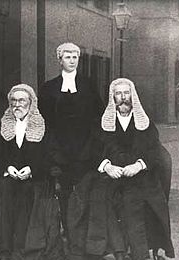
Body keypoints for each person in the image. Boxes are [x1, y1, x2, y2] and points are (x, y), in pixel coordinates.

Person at [84, 78, 175, 260]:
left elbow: (154, 151)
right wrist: (106, 166)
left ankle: (141, 259)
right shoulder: (102, 122)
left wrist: (139, 165)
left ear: (132, 96)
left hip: (138, 176)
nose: (123, 98)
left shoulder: (145, 122)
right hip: (111, 176)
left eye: (126, 93)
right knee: (101, 200)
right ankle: (119, 252)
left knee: (134, 202)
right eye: (118, 94)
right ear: (112, 97)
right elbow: (92, 151)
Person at [0, 84, 66, 260]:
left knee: (26, 195)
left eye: (22, 100)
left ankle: (20, 253)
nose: (17, 104)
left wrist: (32, 169)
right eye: (13, 101)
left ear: (31, 103)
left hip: (35, 178)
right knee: (4, 194)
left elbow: (52, 156)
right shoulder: (0, 125)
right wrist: (7, 167)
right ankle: (4, 251)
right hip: (7, 176)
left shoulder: (44, 126)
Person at [38, 42, 104, 243]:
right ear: (59, 60)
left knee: (84, 191)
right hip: (58, 149)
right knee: (63, 191)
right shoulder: (49, 87)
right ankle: (66, 230)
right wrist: (53, 150)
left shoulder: (88, 85)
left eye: (75, 57)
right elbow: (44, 120)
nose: (72, 60)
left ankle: (80, 234)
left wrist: (90, 146)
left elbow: (97, 115)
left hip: (84, 148)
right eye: (67, 57)